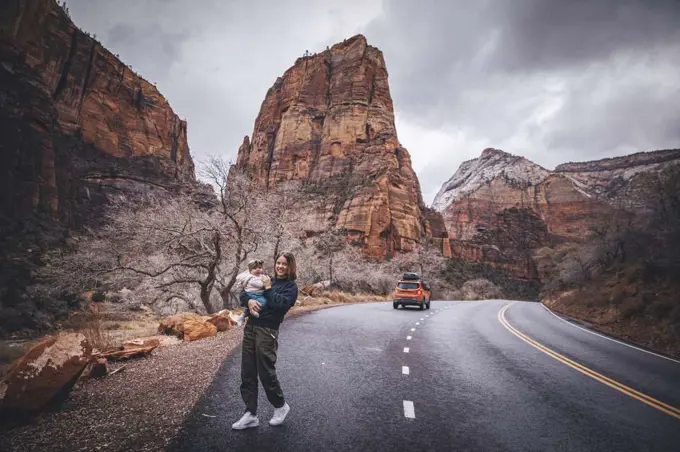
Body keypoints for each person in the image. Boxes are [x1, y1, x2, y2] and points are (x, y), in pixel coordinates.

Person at [231, 252, 299, 430]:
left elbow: (280, 305)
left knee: (265, 371)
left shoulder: (290, 287)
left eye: (285, 264)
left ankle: (280, 406)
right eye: (278, 263)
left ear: (291, 266)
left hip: (268, 331)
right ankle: (250, 414)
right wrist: (250, 301)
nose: (280, 266)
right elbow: (245, 292)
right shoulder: (265, 277)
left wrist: (268, 288)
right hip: (251, 327)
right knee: (247, 371)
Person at [232, 259, 269, 326]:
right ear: (250, 271)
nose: (258, 269)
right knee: (263, 303)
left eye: (260, 268)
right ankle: (252, 311)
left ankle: (243, 315)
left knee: (262, 303)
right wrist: (266, 282)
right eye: (255, 268)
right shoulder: (251, 278)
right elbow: (260, 284)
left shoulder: (259, 276)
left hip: (258, 294)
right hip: (253, 294)